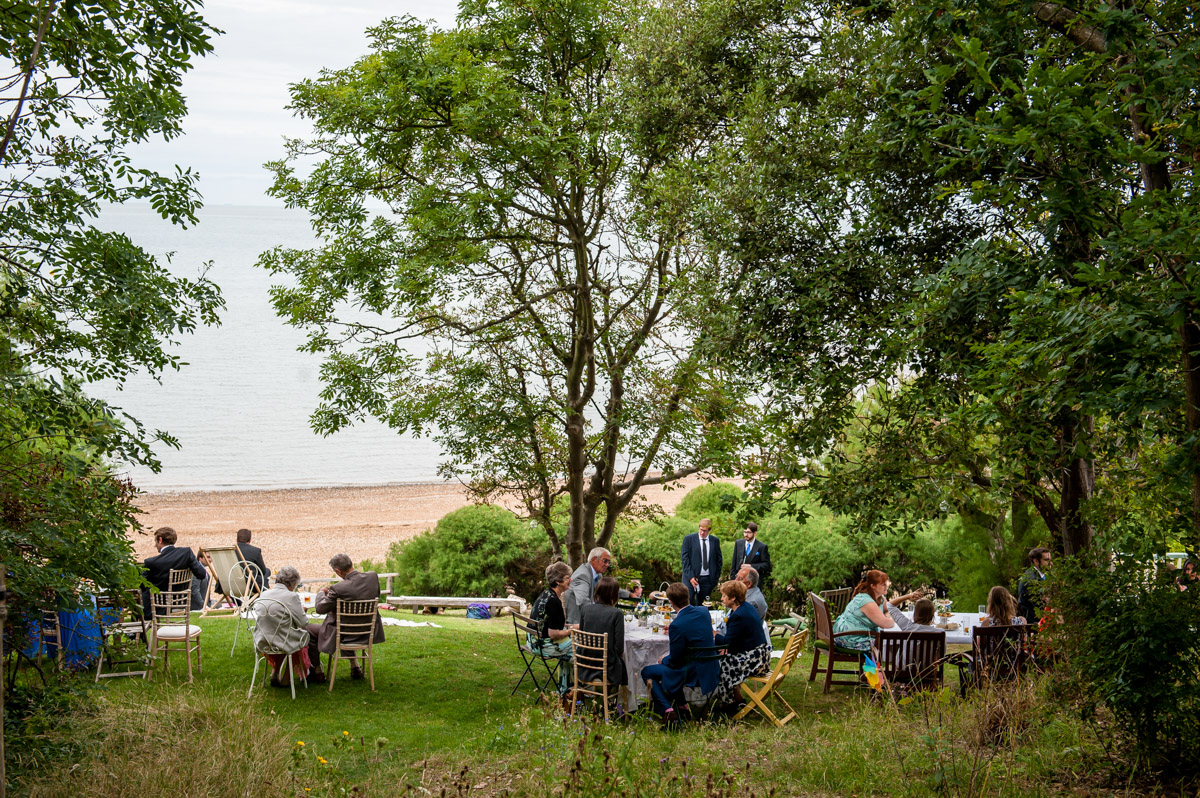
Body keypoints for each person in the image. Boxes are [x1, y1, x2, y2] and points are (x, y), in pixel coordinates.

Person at [641, 582, 721, 722]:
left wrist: (663, 659)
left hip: (690, 673)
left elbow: (675, 660)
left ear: (671, 602)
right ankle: (682, 706)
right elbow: (694, 629)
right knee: (669, 666)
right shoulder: (703, 612)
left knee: (647, 671)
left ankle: (667, 710)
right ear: (688, 596)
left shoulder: (677, 625)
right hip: (710, 667)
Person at [305, 553, 385, 683]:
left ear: (338, 571)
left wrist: (321, 592)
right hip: (368, 633)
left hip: (344, 634)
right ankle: (355, 665)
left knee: (308, 629)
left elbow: (320, 608)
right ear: (351, 563)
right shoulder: (372, 577)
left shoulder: (338, 588)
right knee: (345, 625)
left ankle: (317, 671)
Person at [712, 580, 771, 707]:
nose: (722, 599)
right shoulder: (745, 607)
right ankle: (737, 699)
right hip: (759, 653)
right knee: (724, 657)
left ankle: (730, 702)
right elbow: (737, 640)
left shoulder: (739, 615)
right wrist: (728, 648)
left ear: (733, 598)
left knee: (723, 663)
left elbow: (727, 642)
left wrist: (714, 635)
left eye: (724, 596)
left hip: (757, 660)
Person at [252, 565, 310, 687]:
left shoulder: (264, 594)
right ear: (292, 583)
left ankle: (275, 672)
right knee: (296, 638)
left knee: (282, 633)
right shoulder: (292, 596)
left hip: (263, 640)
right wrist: (301, 611)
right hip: (283, 641)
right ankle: (286, 678)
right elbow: (303, 623)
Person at [831, 569, 907, 652]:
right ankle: (898, 663)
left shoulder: (879, 597)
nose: (886, 586)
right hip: (851, 638)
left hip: (854, 634)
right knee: (891, 644)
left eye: (886, 583)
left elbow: (888, 608)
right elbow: (886, 624)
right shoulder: (866, 601)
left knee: (893, 643)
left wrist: (888, 615)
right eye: (883, 584)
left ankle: (896, 663)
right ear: (873, 586)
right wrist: (892, 618)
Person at [530, 560, 575, 691]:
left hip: (532, 640)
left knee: (570, 647)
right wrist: (571, 630)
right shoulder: (554, 602)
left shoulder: (545, 594)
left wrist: (569, 627)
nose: (570, 580)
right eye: (567, 578)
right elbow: (553, 634)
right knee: (579, 648)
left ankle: (565, 688)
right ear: (558, 581)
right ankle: (577, 688)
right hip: (543, 645)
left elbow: (551, 623)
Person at [142, 526, 208, 612]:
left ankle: (139, 623)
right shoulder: (186, 553)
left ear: (160, 540)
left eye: (156, 541)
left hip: (159, 605)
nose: (155, 545)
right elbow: (201, 574)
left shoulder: (151, 562)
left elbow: (141, 585)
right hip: (181, 601)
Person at [578, 576, 627, 688]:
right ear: (614, 594)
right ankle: (614, 699)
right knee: (623, 661)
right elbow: (619, 648)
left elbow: (581, 636)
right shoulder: (617, 614)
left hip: (585, 664)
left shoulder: (585, 609)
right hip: (607, 668)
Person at [681, 519, 723, 606]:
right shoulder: (689, 539)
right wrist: (691, 577)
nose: (702, 533)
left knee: (703, 605)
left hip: (707, 579)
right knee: (687, 603)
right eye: (700, 529)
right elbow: (685, 559)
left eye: (705, 531)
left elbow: (718, 560)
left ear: (709, 530)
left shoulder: (715, 541)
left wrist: (715, 578)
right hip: (690, 578)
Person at [565, 548, 612, 625]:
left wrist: (629, 594)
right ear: (593, 560)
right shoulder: (583, 575)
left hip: (586, 616)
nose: (607, 565)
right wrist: (599, 616)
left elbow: (609, 589)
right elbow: (583, 601)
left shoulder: (598, 574)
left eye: (608, 562)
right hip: (576, 621)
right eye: (605, 561)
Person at [1016, 546, 1051, 625]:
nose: (1050, 563)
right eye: (1046, 560)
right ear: (1035, 561)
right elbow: (1039, 606)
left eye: (1050, 560)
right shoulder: (1031, 580)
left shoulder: (1038, 575)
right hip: (1033, 625)